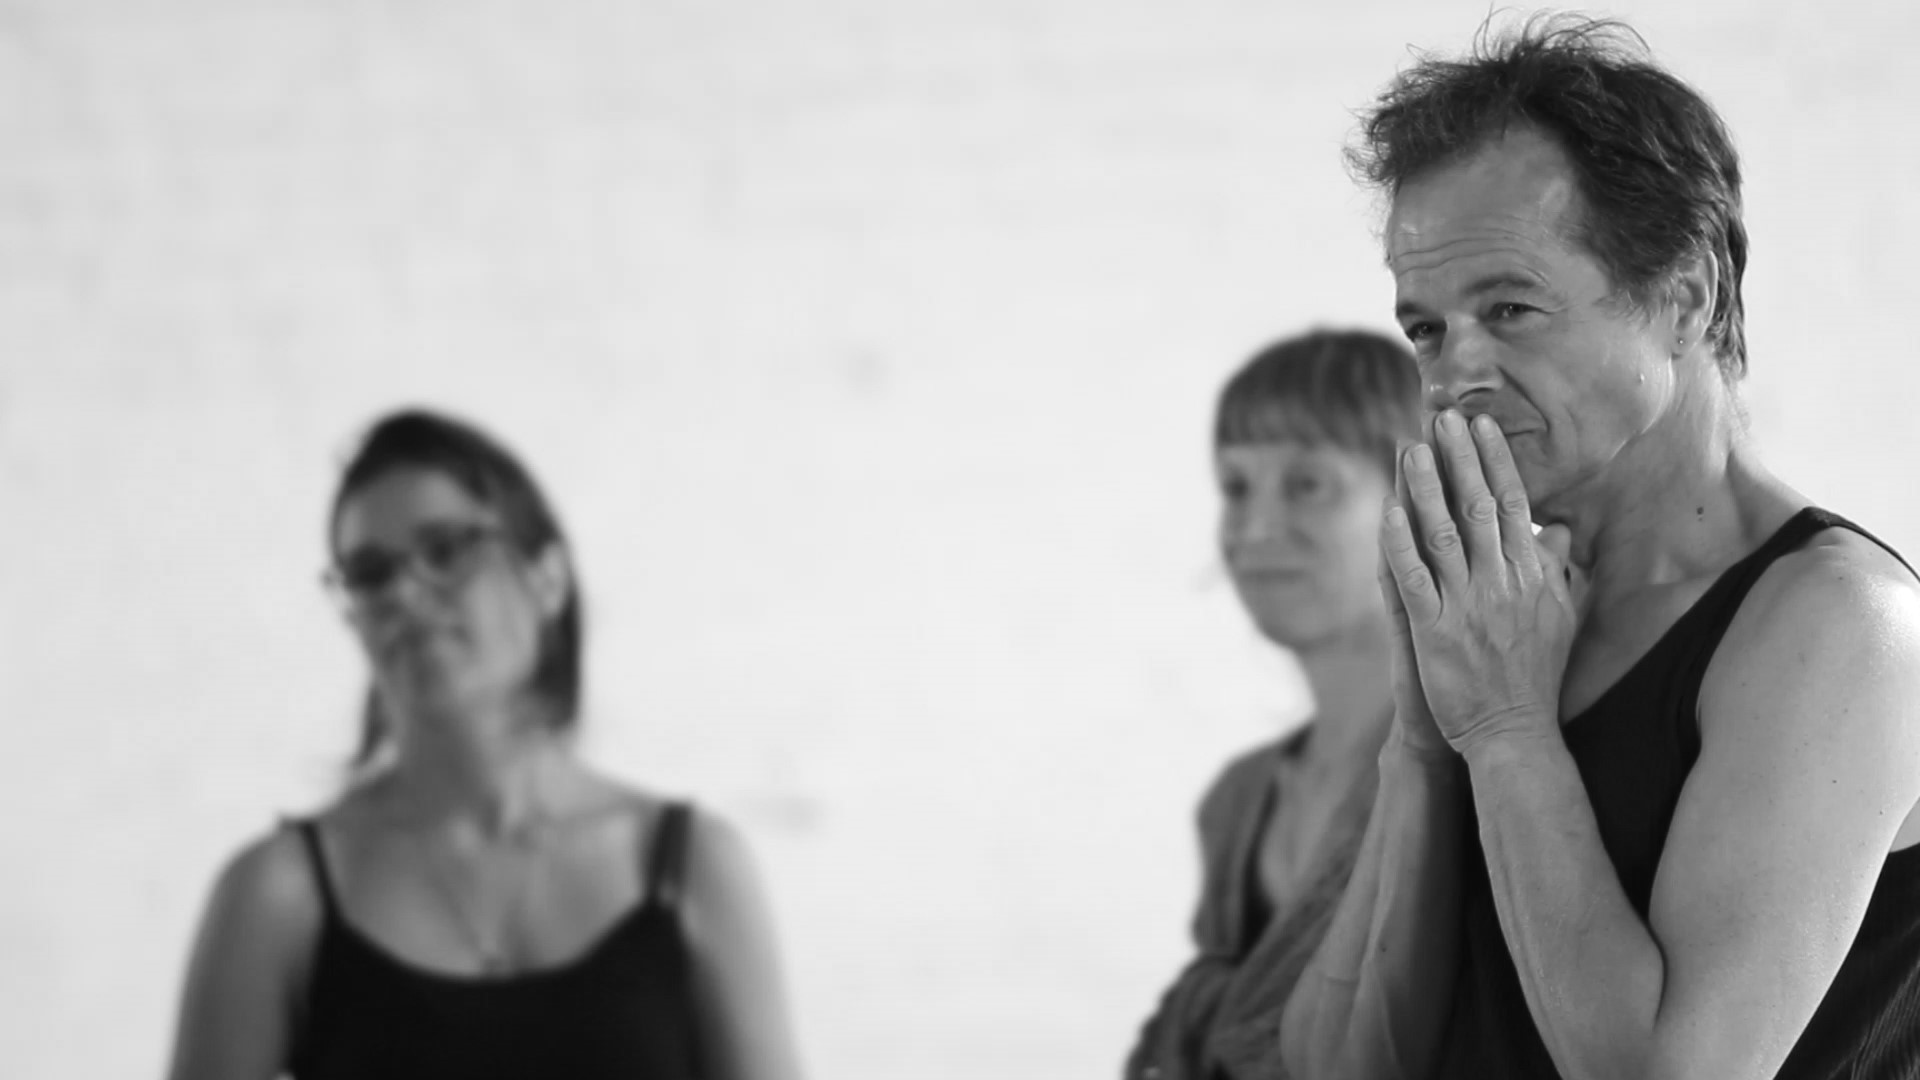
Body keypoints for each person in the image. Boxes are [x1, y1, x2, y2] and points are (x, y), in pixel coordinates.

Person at [1277, 16, 1920, 1080]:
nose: (1453, 375)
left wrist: (1506, 730)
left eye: (1510, 307)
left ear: (1686, 298)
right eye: (1427, 329)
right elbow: (1339, 1064)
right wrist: (1425, 739)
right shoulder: (1503, 612)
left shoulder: (1842, 626)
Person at [165, 409, 806, 1080]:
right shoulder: (279, 896)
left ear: (548, 578)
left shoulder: (694, 869)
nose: (406, 594)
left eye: (446, 550)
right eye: (371, 573)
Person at [1126, 329, 1423, 1080]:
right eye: (1235, 487)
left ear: (1418, 500)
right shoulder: (1236, 803)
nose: (1254, 530)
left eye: (1307, 485)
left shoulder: (1476, 770)